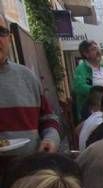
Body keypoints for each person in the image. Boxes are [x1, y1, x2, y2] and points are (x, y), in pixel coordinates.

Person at [0, 14, 60, 161]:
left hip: (30, 173)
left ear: (9, 38)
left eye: (1, 32)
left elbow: (48, 118)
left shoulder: (27, 77)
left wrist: (51, 138)